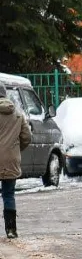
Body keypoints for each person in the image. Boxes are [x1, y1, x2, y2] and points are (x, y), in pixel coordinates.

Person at [0, 84, 31, 239]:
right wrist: (15, 150)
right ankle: (11, 230)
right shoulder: (18, 114)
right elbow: (27, 137)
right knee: (8, 194)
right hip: (11, 159)